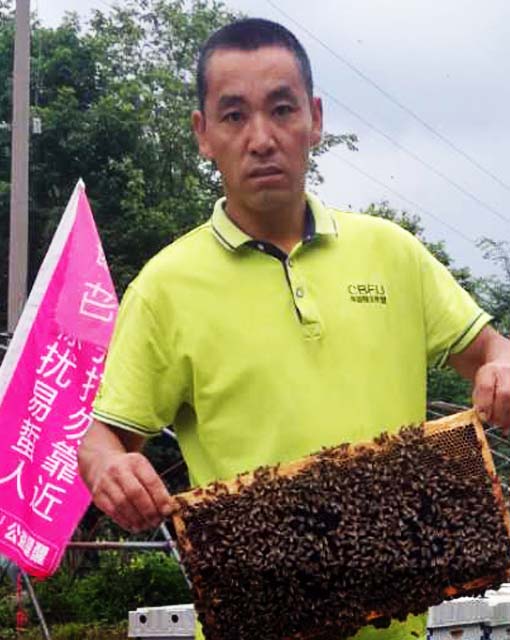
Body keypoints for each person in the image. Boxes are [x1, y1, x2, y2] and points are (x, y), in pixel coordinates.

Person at [78, 17, 510, 640]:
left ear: (315, 119)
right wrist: (108, 470)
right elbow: (102, 440)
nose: (261, 138)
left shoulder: (393, 253)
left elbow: (491, 351)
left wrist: (501, 366)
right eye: (234, 116)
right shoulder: (163, 288)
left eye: (282, 110)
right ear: (203, 134)